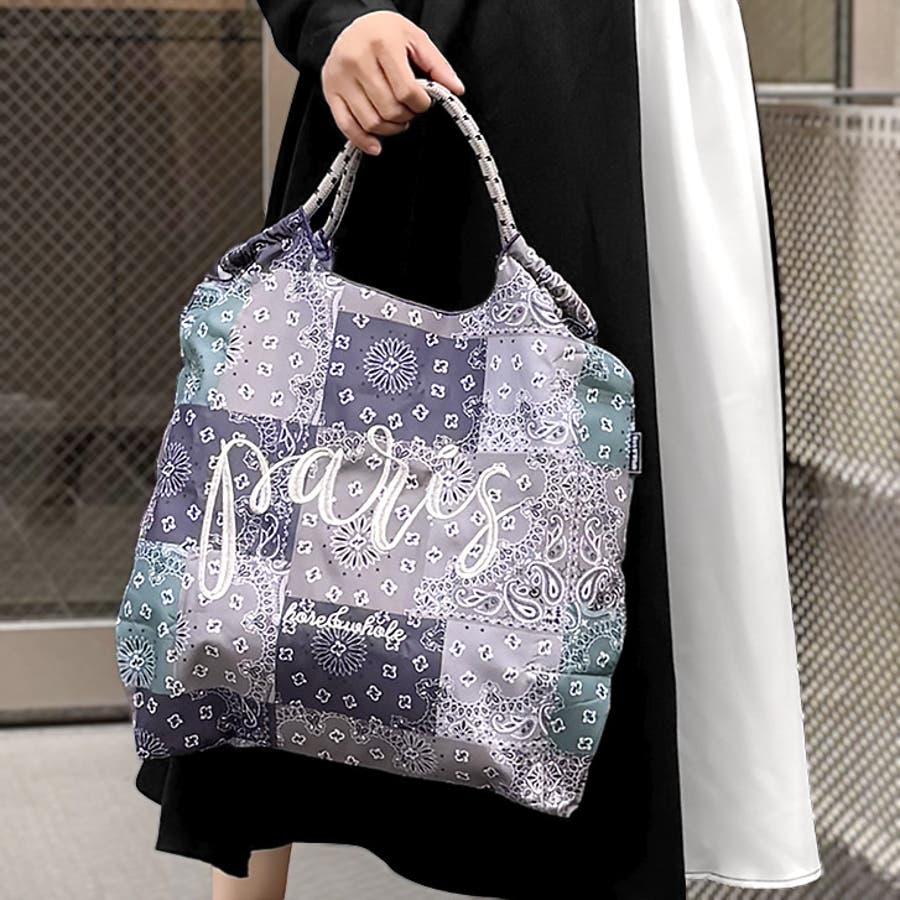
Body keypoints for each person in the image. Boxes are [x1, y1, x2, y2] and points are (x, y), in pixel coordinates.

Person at [135, 3, 823, 898]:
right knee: (290, 529)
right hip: (435, 40)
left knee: (565, 522)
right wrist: (331, 13)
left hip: (628, 65)